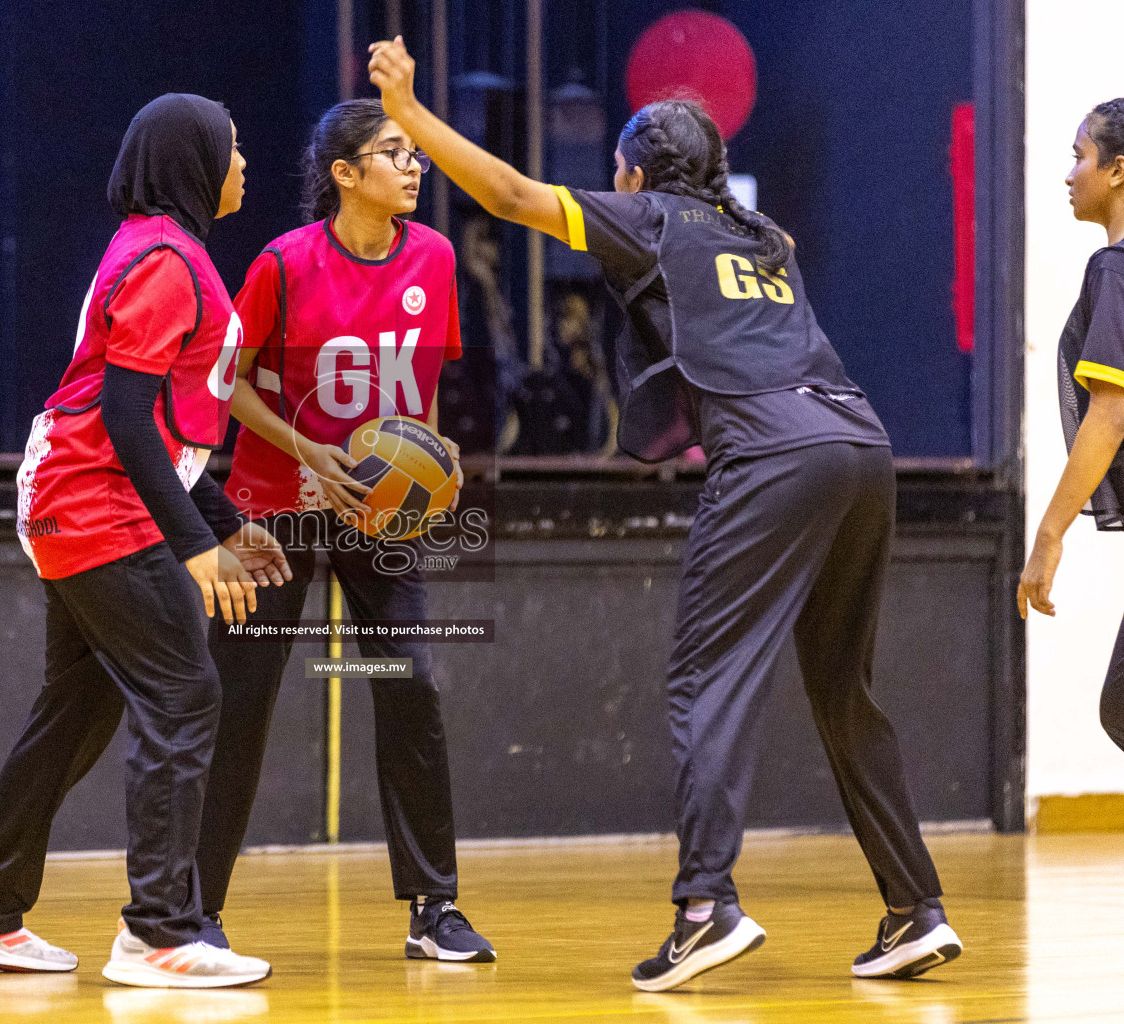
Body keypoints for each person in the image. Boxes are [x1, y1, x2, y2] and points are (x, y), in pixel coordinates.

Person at [369, 37, 962, 990]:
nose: (612, 180)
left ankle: (705, 907)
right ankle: (915, 908)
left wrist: (408, 112)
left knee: (705, 679)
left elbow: (515, 199)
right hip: (860, 443)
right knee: (844, 690)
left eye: (618, 169)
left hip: (771, 458)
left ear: (638, 173)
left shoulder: (648, 219)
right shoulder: (764, 238)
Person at [0, 93, 289, 989]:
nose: (244, 165)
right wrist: (197, 546)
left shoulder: (166, 249)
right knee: (185, 691)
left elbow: (166, 425)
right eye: (232, 150)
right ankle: (160, 932)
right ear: (193, 162)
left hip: (87, 496)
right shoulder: (166, 258)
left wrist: (231, 525)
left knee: (79, 707)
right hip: (94, 502)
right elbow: (124, 417)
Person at [193, 98, 495, 963]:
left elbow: (424, 387)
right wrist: (309, 451)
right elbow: (229, 385)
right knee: (241, 700)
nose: (413, 168)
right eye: (395, 154)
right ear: (344, 173)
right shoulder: (283, 264)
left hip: (376, 517)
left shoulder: (433, 259)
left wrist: (432, 462)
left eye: (416, 156)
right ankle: (193, 909)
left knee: (410, 688)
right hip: (275, 509)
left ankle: (435, 908)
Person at [1018, 97, 1124, 755]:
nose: (1069, 173)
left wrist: (1049, 535)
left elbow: (1110, 415)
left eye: (1079, 156)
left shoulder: (1114, 268)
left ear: (1117, 171)